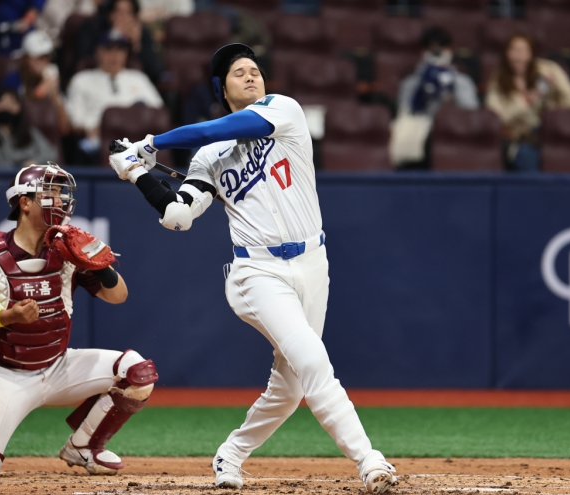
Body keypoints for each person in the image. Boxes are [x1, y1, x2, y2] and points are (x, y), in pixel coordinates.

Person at [108, 43, 397, 494]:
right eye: (238, 72)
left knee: (290, 389)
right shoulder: (208, 158)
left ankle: (231, 453)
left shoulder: (283, 110)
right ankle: (370, 461)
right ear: (221, 88)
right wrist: (137, 173)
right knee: (312, 360)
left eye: (254, 70)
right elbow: (178, 216)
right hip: (256, 274)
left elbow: (222, 128)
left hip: (313, 263)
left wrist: (153, 144)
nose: (250, 76)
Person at [0, 163, 158, 477]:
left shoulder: (66, 251)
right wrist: (7, 316)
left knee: (137, 371)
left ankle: (85, 446)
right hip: (8, 373)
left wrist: (100, 265)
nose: (61, 201)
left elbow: (118, 296)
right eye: (51, 194)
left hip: (58, 365)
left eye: (62, 194)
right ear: (25, 202)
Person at [485, 34, 570, 171]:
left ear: (531, 54)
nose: (518, 56)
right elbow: (495, 117)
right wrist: (526, 100)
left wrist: (556, 86)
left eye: (523, 50)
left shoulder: (548, 69)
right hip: (520, 141)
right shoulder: (498, 80)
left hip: (554, 138)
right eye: (514, 50)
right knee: (526, 157)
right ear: (506, 53)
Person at [67, 29, 163, 162]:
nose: (115, 55)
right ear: (98, 52)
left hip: (137, 144)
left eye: (120, 49)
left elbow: (158, 112)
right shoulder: (81, 80)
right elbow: (76, 121)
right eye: (109, 49)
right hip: (100, 145)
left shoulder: (138, 78)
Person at [390, 26, 479, 168]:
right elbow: (404, 113)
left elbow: (471, 115)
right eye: (432, 51)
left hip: (453, 136)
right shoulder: (410, 83)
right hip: (419, 138)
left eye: (441, 50)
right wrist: (423, 86)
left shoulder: (463, 81)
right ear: (423, 53)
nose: (437, 54)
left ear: (449, 51)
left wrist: (451, 86)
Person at [74, 0, 164, 85]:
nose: (123, 18)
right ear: (110, 14)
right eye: (119, 12)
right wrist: (114, 36)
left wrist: (137, 45)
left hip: (134, 85)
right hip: (98, 82)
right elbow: (83, 61)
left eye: (129, 13)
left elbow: (155, 72)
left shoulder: (142, 33)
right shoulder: (93, 28)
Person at [2, 30, 71, 136]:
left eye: (47, 57)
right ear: (26, 58)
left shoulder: (50, 83)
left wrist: (54, 96)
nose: (43, 62)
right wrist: (41, 90)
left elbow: (65, 127)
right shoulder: (12, 80)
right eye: (39, 58)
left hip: (47, 140)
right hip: (18, 137)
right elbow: (14, 117)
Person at [0, 89, 58, 169]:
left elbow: (51, 154)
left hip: (28, 179)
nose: (7, 105)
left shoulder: (30, 133)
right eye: (2, 101)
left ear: (20, 108)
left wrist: (35, 162)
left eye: (12, 102)